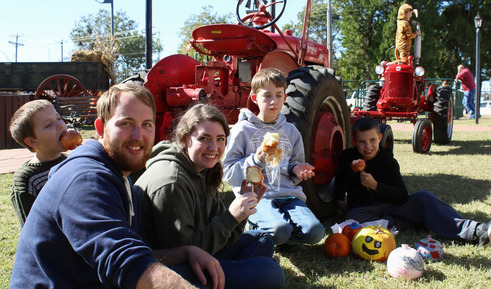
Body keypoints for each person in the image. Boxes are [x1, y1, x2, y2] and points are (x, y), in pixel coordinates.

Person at [10, 84, 225, 289]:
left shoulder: (120, 176)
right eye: (126, 123)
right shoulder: (85, 179)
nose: (138, 136)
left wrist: (186, 252)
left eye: (146, 124)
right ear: (101, 129)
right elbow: (124, 261)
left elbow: (137, 251)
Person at [134, 103, 285, 289]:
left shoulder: (202, 169)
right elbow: (184, 253)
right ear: (184, 139)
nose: (214, 147)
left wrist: (241, 213)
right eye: (204, 138)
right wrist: (231, 217)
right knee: (272, 273)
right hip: (168, 269)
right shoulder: (171, 182)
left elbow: (221, 235)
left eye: (220, 139)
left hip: (204, 251)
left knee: (263, 239)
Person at [334, 117, 491, 246]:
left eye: (373, 140)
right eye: (362, 142)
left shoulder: (388, 161)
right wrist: (339, 198)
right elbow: (340, 178)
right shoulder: (347, 157)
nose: (368, 146)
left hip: (393, 207)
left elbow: (401, 195)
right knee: (353, 219)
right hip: (364, 211)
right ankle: (411, 222)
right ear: (354, 141)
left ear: (380, 138)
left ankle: (476, 231)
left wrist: (375, 186)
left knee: (424, 198)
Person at [222, 68, 325, 251]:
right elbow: (228, 172)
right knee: (280, 230)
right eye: (267, 95)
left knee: (316, 232)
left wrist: (296, 169)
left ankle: (282, 237)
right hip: (257, 196)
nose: (273, 101)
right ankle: (256, 227)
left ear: (285, 98)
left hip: (289, 195)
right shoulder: (241, 130)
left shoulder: (291, 132)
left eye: (278, 95)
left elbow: (293, 163)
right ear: (255, 98)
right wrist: (257, 158)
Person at [9, 99, 68, 227]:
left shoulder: (72, 162)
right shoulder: (27, 178)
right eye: (48, 125)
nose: (61, 125)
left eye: (58, 118)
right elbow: (31, 229)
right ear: (32, 142)